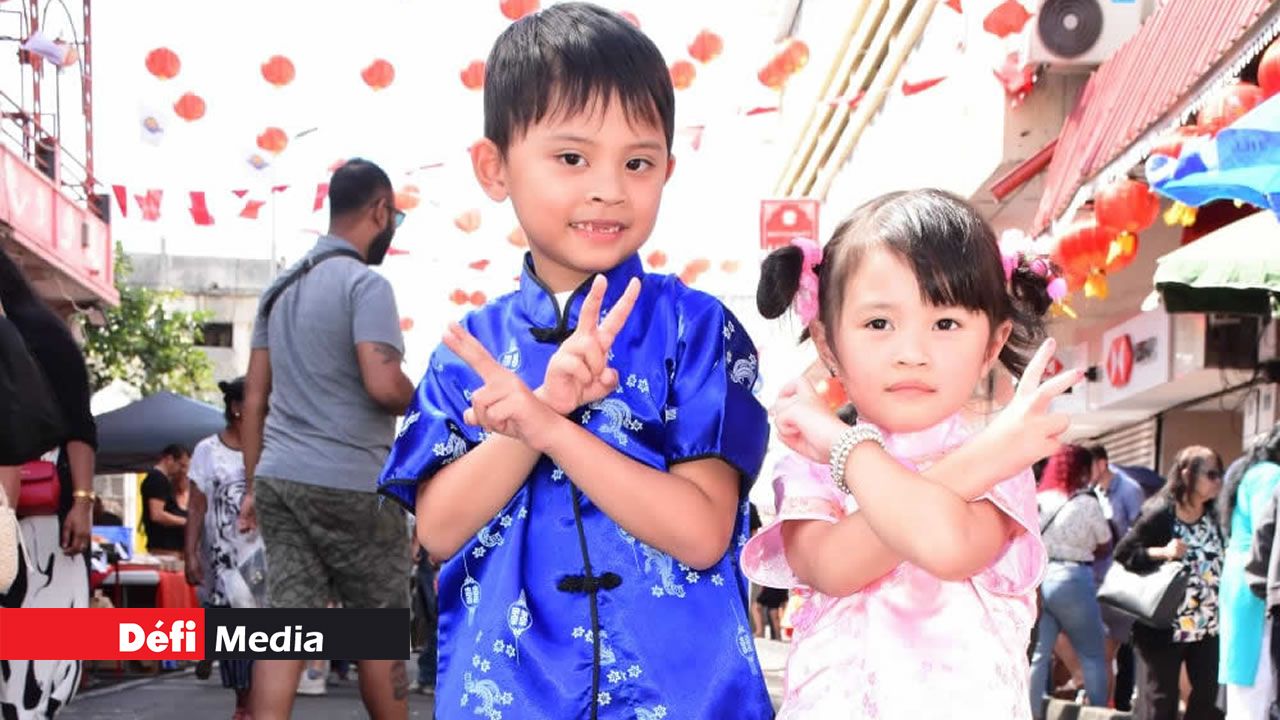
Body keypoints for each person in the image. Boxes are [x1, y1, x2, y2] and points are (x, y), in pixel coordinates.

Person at [379, 5, 774, 717]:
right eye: (571, 157)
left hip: (681, 694)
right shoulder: (465, 349)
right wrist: (537, 409)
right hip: (509, 697)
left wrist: (554, 429)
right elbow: (438, 531)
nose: (609, 188)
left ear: (667, 170)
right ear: (494, 167)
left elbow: (703, 531)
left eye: (638, 162)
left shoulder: (698, 329)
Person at [740, 189, 1080, 718]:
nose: (912, 353)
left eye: (945, 324)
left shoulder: (1003, 460)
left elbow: (945, 544)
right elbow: (832, 565)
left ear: (993, 343)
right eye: (879, 324)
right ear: (828, 343)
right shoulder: (810, 463)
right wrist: (978, 462)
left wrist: (841, 444)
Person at [239, 156, 416, 720]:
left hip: (280, 479)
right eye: (395, 218)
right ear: (380, 210)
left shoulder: (279, 289)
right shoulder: (366, 284)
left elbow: (255, 401)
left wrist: (251, 485)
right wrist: (433, 401)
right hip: (354, 483)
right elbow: (382, 382)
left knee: (286, 626)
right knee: (377, 626)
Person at [0, 246, 97, 718]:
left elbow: (81, 425)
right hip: (19, 519)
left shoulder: (41, 336)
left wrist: (81, 501)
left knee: (35, 661)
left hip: (42, 525)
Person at [1114, 445, 1227, 720]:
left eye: (1220, 474)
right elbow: (1124, 553)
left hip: (1206, 626)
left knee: (1206, 700)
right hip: (1164, 625)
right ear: (1187, 474)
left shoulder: (1215, 516)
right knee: (1161, 702)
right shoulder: (1160, 514)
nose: (1218, 482)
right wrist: (1162, 552)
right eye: (1211, 475)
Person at [184, 377, 265, 720]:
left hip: (264, 559)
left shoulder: (271, 448)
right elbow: (196, 507)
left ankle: (251, 701)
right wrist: (190, 553)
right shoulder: (208, 451)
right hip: (224, 560)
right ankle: (243, 704)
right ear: (236, 408)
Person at [1029, 444, 1111, 717]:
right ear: (1083, 469)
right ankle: (1099, 712)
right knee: (1092, 652)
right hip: (1074, 578)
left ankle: (1029, 712)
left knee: (1039, 655)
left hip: (1040, 579)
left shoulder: (1039, 498)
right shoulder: (1087, 502)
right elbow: (1104, 542)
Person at [1220, 426, 1280, 718]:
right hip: (1257, 583)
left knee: (1248, 685)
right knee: (1257, 682)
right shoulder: (1271, 476)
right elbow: (1268, 531)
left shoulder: (1252, 472)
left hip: (1244, 578)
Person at [141, 445, 190, 557]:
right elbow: (157, 514)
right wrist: (186, 521)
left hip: (169, 547)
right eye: (180, 465)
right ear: (169, 459)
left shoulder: (159, 479)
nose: (181, 470)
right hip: (165, 548)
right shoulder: (158, 479)